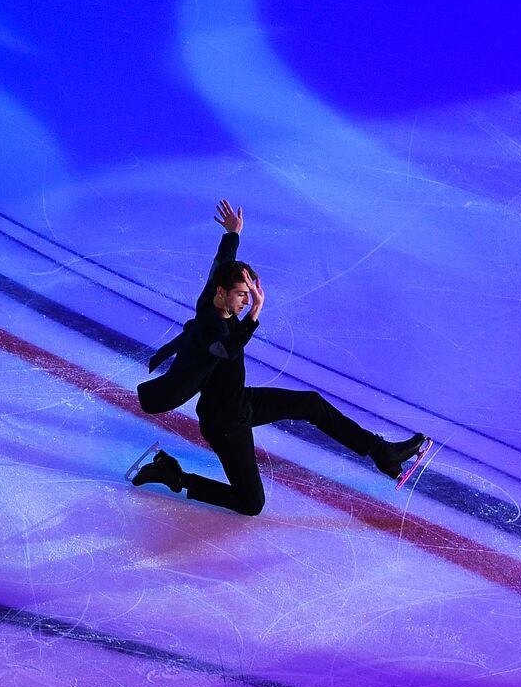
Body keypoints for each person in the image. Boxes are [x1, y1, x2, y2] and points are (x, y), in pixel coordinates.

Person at [132, 199, 426, 516]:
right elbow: (224, 348)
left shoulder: (213, 295)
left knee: (310, 403)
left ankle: (382, 453)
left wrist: (233, 233)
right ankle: (175, 476)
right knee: (251, 504)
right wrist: (254, 316)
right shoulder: (209, 325)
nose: (246, 301)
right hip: (225, 423)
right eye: (241, 295)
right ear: (221, 293)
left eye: (249, 295)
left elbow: (222, 261)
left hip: (239, 402)